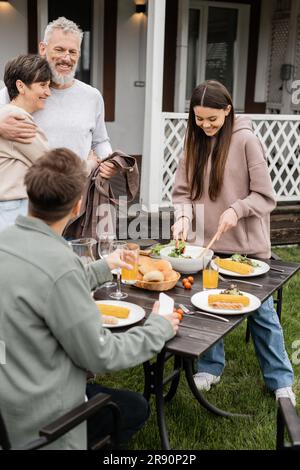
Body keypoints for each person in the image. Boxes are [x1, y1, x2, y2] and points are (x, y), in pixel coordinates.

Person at [0, 148, 179, 450]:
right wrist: (159, 328)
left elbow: (40, 287)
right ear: (78, 206)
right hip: (45, 427)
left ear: (29, 195)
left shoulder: (6, 243)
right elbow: (100, 354)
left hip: (9, 398)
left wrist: (102, 268)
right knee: (135, 407)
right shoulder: (60, 264)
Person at [172, 80, 295, 406]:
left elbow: (265, 196)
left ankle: (281, 380)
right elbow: (182, 194)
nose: (206, 125)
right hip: (207, 246)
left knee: (261, 314)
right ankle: (211, 367)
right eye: (199, 119)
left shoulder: (246, 141)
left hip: (247, 247)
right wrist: (183, 217)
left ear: (228, 111)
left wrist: (236, 209)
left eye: (212, 119)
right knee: (208, 304)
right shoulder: (193, 142)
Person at [0, 16, 116, 179]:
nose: (66, 58)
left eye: (72, 51)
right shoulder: (20, 91)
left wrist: (109, 161)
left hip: (77, 194)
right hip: (29, 196)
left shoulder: (92, 96)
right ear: (43, 48)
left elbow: (100, 141)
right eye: (59, 49)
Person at [0, 54, 51, 231]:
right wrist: (90, 164)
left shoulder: (5, 115)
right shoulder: (17, 119)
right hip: (12, 210)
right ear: (21, 86)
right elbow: (51, 165)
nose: (48, 92)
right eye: (43, 85)